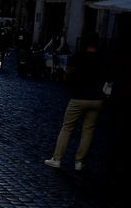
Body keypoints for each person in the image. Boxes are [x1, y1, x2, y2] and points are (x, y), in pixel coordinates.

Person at [45, 31, 109, 171]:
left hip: (79, 97)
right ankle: (79, 162)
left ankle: (57, 158)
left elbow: (68, 74)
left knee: (67, 127)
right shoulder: (103, 58)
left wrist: (67, 79)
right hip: (97, 98)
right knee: (88, 130)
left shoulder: (78, 57)